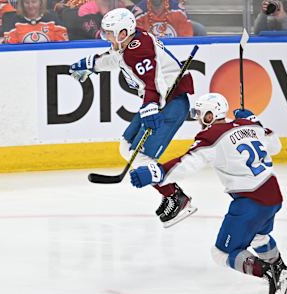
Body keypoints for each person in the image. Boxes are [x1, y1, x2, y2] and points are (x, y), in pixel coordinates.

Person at [129, 93, 287, 294]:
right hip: (273, 196)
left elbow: (188, 163)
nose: (198, 118)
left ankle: (271, 272)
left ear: (210, 114)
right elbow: (275, 146)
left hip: (249, 202)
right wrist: (255, 121)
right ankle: (281, 267)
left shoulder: (212, 136)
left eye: (200, 113)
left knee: (221, 254)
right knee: (259, 237)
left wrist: (156, 173)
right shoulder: (247, 125)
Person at [69, 7, 196, 218]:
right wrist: (91, 65)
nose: (106, 36)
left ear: (123, 32)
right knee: (127, 146)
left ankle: (176, 197)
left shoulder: (139, 49)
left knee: (143, 157)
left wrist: (151, 106)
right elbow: (115, 58)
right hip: (159, 102)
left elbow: (153, 81)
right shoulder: (128, 44)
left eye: (110, 32)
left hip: (170, 104)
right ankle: (170, 194)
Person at [1, 0, 68, 43]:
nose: (30, 6)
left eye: (34, 2)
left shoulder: (52, 19)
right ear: (22, 4)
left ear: (40, 3)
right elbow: (10, 48)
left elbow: (62, 45)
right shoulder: (13, 21)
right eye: (27, 3)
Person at [133, 0, 207, 37]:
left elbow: (185, 39)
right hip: (148, 55)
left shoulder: (178, 11)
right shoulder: (139, 14)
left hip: (176, 53)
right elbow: (138, 42)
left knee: (199, 29)